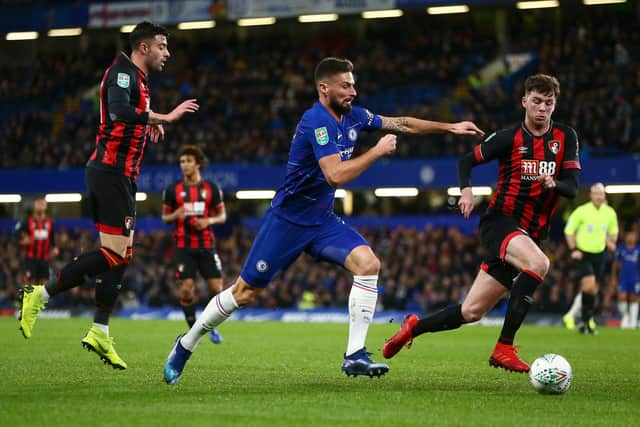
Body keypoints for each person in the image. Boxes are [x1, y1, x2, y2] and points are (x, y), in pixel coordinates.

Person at [163, 57, 484, 384]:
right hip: (287, 221)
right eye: (346, 85)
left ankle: (354, 355)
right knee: (244, 293)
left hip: (322, 220)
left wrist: (450, 127)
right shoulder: (315, 121)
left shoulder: (355, 116)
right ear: (324, 88)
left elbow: (400, 123)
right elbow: (334, 175)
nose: (353, 91)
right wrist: (375, 151)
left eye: (354, 84)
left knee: (368, 264)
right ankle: (187, 343)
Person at [18, 21, 199, 370]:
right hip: (109, 172)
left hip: (122, 176)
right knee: (115, 253)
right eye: (162, 46)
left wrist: (151, 123)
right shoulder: (121, 74)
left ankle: (99, 329)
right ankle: (39, 295)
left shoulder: (139, 79)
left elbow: (130, 115)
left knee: (122, 253)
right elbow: (118, 111)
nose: (168, 52)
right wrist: (164, 117)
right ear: (143, 47)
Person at [383, 74, 580, 373]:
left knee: (471, 311)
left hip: (532, 233)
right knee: (539, 264)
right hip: (500, 222)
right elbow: (466, 161)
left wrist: (554, 183)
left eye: (549, 103)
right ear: (524, 101)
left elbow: (573, 187)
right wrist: (466, 190)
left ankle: (413, 328)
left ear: (555, 105)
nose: (542, 108)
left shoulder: (566, 138)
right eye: (537, 101)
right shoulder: (507, 138)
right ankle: (504, 348)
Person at [162, 144, 227, 343]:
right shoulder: (173, 190)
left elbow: (222, 215)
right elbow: (165, 218)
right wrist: (176, 214)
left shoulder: (211, 188)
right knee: (185, 289)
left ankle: (210, 327)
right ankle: (194, 333)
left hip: (206, 245)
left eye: (188, 161)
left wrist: (209, 221)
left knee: (217, 290)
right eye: (182, 161)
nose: (184, 165)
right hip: (183, 246)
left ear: (197, 164)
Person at [561, 183, 618, 334]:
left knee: (593, 289)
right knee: (589, 285)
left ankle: (583, 321)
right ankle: (587, 319)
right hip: (583, 254)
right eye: (596, 194)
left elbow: (613, 231)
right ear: (591, 195)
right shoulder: (582, 211)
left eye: (601, 194)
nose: (599, 196)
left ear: (604, 195)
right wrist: (574, 249)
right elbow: (569, 230)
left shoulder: (610, 212)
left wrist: (611, 242)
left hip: (600, 254)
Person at [14, 196, 58, 285]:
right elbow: (16, 235)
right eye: (38, 204)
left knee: (44, 285)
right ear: (34, 205)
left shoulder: (50, 222)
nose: (40, 206)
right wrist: (22, 241)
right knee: (30, 285)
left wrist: (55, 248)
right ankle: (26, 298)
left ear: (46, 206)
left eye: (42, 204)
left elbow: (52, 238)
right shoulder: (26, 222)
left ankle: (40, 299)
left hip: (44, 260)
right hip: (30, 260)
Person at [613, 229, 639, 329]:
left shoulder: (638, 249)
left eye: (633, 236)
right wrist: (613, 277)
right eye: (629, 236)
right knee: (622, 297)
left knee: (634, 299)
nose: (631, 238)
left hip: (635, 277)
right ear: (625, 237)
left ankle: (633, 322)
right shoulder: (621, 249)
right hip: (623, 277)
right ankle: (625, 316)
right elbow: (615, 264)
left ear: (636, 238)